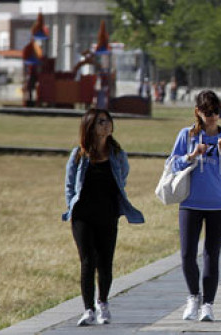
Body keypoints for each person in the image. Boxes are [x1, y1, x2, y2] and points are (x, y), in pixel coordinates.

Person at [63, 108, 145, 326]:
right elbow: (70, 186)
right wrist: (72, 205)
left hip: (108, 215)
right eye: (101, 122)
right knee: (87, 262)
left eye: (108, 121)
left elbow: (122, 178)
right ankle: (88, 309)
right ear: (90, 126)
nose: (106, 125)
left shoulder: (118, 155)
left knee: (105, 262)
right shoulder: (79, 155)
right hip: (82, 217)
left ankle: (103, 303)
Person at [168, 90, 221, 322]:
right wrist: (190, 156)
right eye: (208, 112)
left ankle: (208, 304)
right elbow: (172, 165)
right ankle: (193, 297)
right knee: (187, 254)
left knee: (212, 255)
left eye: (216, 112)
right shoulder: (187, 135)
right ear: (198, 112)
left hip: (219, 205)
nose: (213, 117)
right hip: (191, 203)